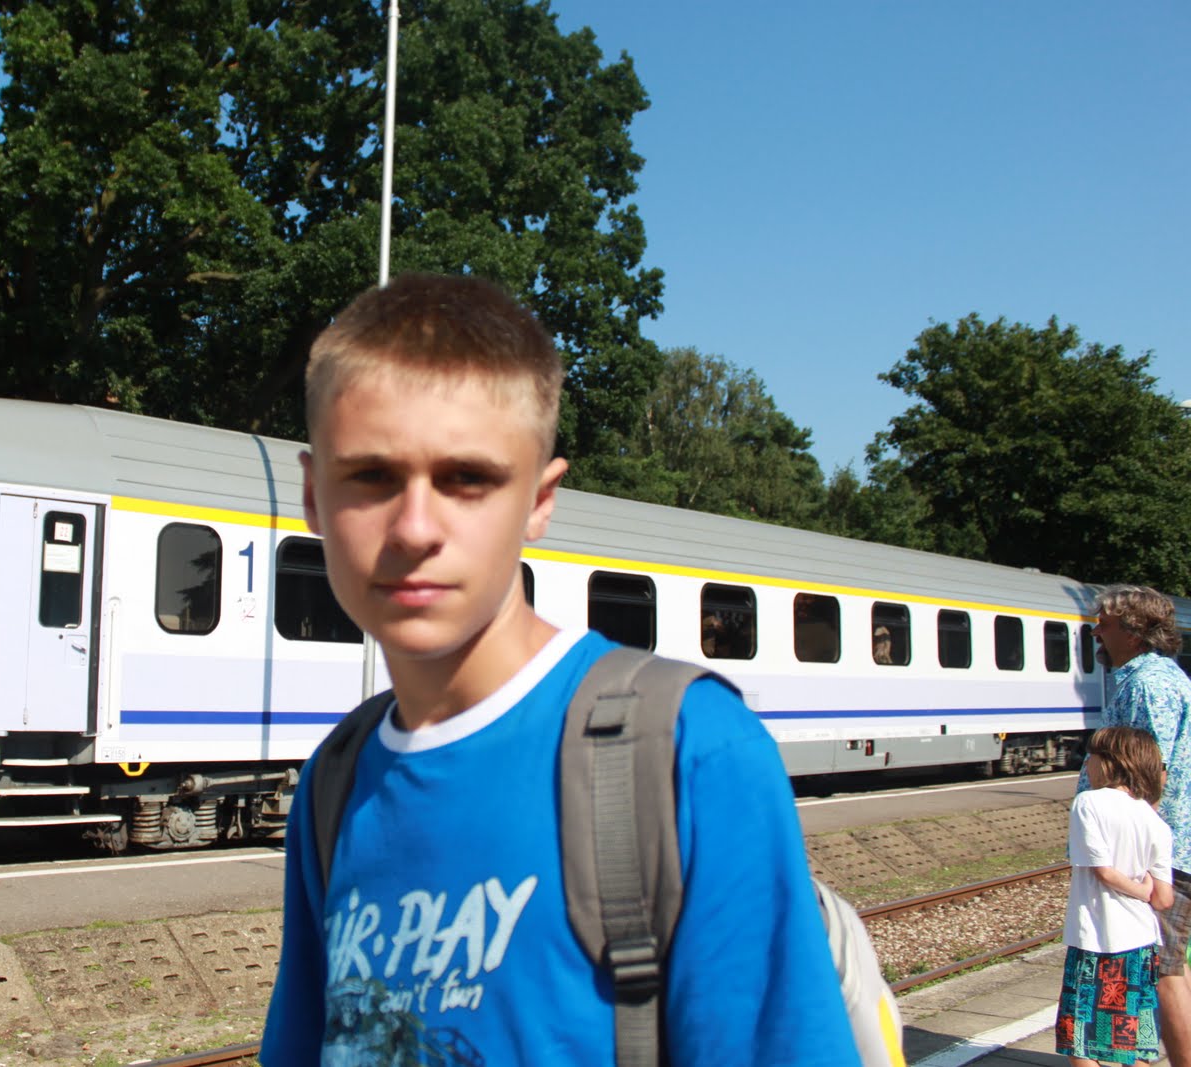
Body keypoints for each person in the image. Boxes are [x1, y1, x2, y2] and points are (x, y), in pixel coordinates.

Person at [261, 274, 861, 1065]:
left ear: (541, 501)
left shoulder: (688, 755)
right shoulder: (335, 784)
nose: (414, 528)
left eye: (467, 478)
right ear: (312, 493)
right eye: (371, 476)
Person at [1089, 584, 1191, 1063]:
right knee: (1167, 965)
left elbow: (1152, 774)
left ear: (1133, 632)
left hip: (1159, 852)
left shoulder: (1150, 684)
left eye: (1104, 623)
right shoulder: (1147, 678)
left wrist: (1138, 856)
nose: (1096, 631)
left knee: (1162, 969)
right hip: (1164, 846)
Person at [1056, 726, 1174, 1066]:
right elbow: (1163, 899)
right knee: (1133, 1043)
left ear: (1110, 762)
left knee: (1079, 1040)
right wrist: (1146, 889)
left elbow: (1103, 871)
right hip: (1140, 943)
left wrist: (1138, 889)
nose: (1087, 764)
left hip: (1096, 939)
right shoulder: (1154, 820)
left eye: (1091, 756)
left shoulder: (1088, 802)